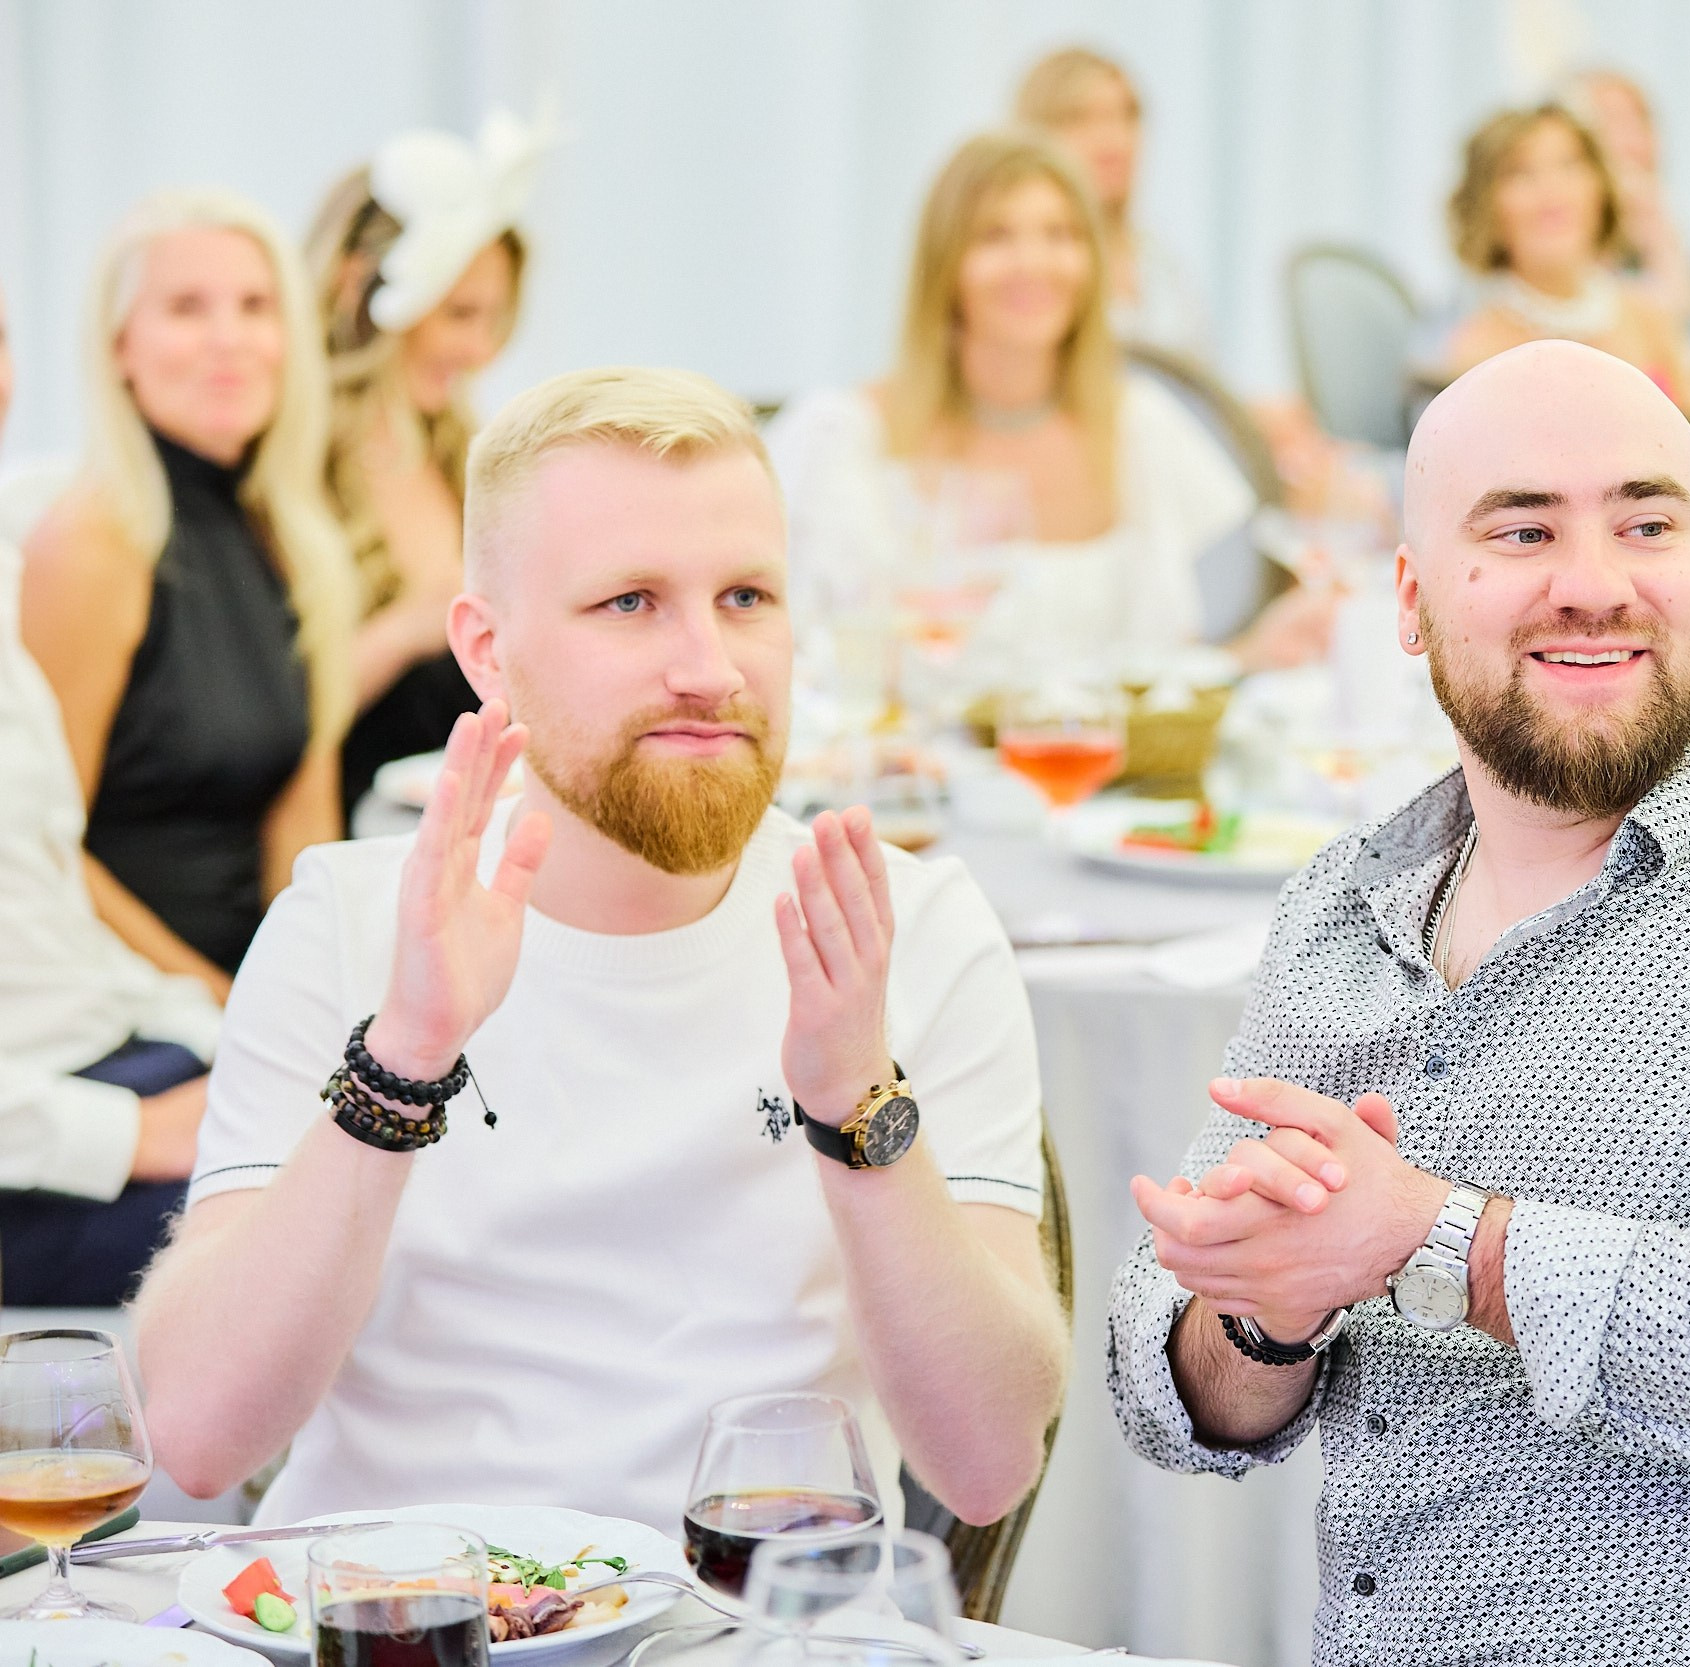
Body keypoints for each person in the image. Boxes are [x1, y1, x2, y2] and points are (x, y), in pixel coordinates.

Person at [1109, 340, 1690, 1665]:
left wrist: (1435, 1240)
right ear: (1414, 600)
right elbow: (1175, 1398)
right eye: (1525, 529)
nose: (1596, 585)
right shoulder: (1343, 907)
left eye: (1647, 522)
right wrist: (1268, 1309)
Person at [133, 368, 1068, 1533]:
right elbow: (199, 1430)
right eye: (630, 602)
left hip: (756, 1627)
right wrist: (405, 1058)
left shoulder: (909, 929)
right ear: (486, 648)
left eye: (745, 597)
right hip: (394, 1619)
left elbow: (985, 1465)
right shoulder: (346, 922)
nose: (709, 667)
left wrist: (853, 1105)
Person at [768, 131, 1329, 678]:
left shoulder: (1138, 427)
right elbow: (804, 669)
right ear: (944, 265)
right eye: (994, 236)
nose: (1033, 262)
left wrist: (1254, 652)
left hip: (1107, 773)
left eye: (1061, 235)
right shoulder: (844, 438)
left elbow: (1158, 682)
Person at [19, 191, 356, 993]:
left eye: (255, 306)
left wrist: (323, 990)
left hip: (256, 980)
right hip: (127, 995)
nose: (229, 340)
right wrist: (222, 1006)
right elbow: (42, 848)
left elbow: (304, 825)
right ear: (120, 348)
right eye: (185, 308)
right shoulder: (92, 546)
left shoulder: (294, 540)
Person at [0, 280, 222, 1307]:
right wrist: (136, 1132)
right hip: (35, 1152)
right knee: (343, 1217)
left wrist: (218, 1028)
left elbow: (44, 896)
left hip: (94, 1057)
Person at [309, 113, 542, 822]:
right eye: (458, 315)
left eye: (492, 320)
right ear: (359, 288)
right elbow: (271, 718)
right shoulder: (292, 464)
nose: (481, 350)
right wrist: (410, 625)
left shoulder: (460, 451)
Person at [1433, 104, 1690, 400]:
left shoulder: (1650, 320)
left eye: (1570, 165)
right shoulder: (1476, 353)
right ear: (1485, 208)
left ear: (1601, 191)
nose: (1552, 190)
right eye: (1521, 173)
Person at [1014, 46, 1213, 360]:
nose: (1114, 138)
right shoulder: (1022, 265)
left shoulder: (1159, 262)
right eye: (1082, 118)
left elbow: (1196, 386)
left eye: (1127, 116)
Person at [1559, 66, 1690, 327]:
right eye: (1610, 123)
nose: (1634, 142)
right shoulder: (1550, 236)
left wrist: (1658, 232)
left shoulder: (1652, 225)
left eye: (1640, 122)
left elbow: (1685, 320)